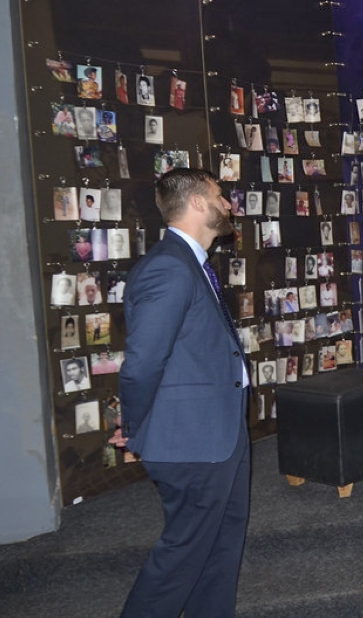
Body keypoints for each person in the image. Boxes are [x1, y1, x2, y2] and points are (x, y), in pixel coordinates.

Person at [119, 168, 249, 617]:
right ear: (197, 203)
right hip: (191, 440)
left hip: (219, 433)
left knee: (219, 551)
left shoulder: (189, 263)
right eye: (220, 195)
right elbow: (141, 363)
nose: (228, 204)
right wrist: (134, 425)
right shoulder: (168, 268)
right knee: (181, 559)